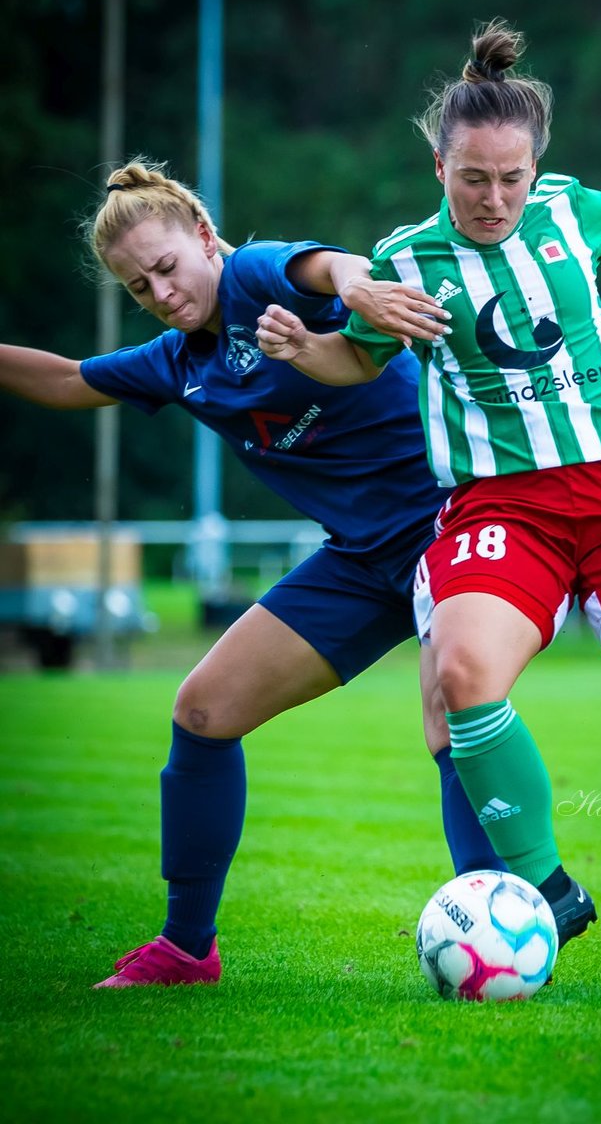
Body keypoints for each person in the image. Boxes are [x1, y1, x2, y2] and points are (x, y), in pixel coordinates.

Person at [256, 20, 601, 993]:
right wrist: (305, 352)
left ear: (534, 166)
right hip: (498, 503)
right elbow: (355, 354)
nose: (494, 197)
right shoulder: (401, 260)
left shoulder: (566, 211)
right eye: (473, 177)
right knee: (463, 672)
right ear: (439, 164)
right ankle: (546, 887)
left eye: (511, 176)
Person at [0, 158, 507, 989]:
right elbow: (64, 380)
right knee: (202, 709)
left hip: (454, 523)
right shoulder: (176, 362)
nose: (160, 294)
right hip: (359, 559)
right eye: (137, 288)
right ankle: (187, 949)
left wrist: (362, 287)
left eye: (165, 268)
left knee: (453, 711)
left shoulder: (258, 275)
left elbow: (330, 268)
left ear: (204, 237)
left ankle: (505, 918)